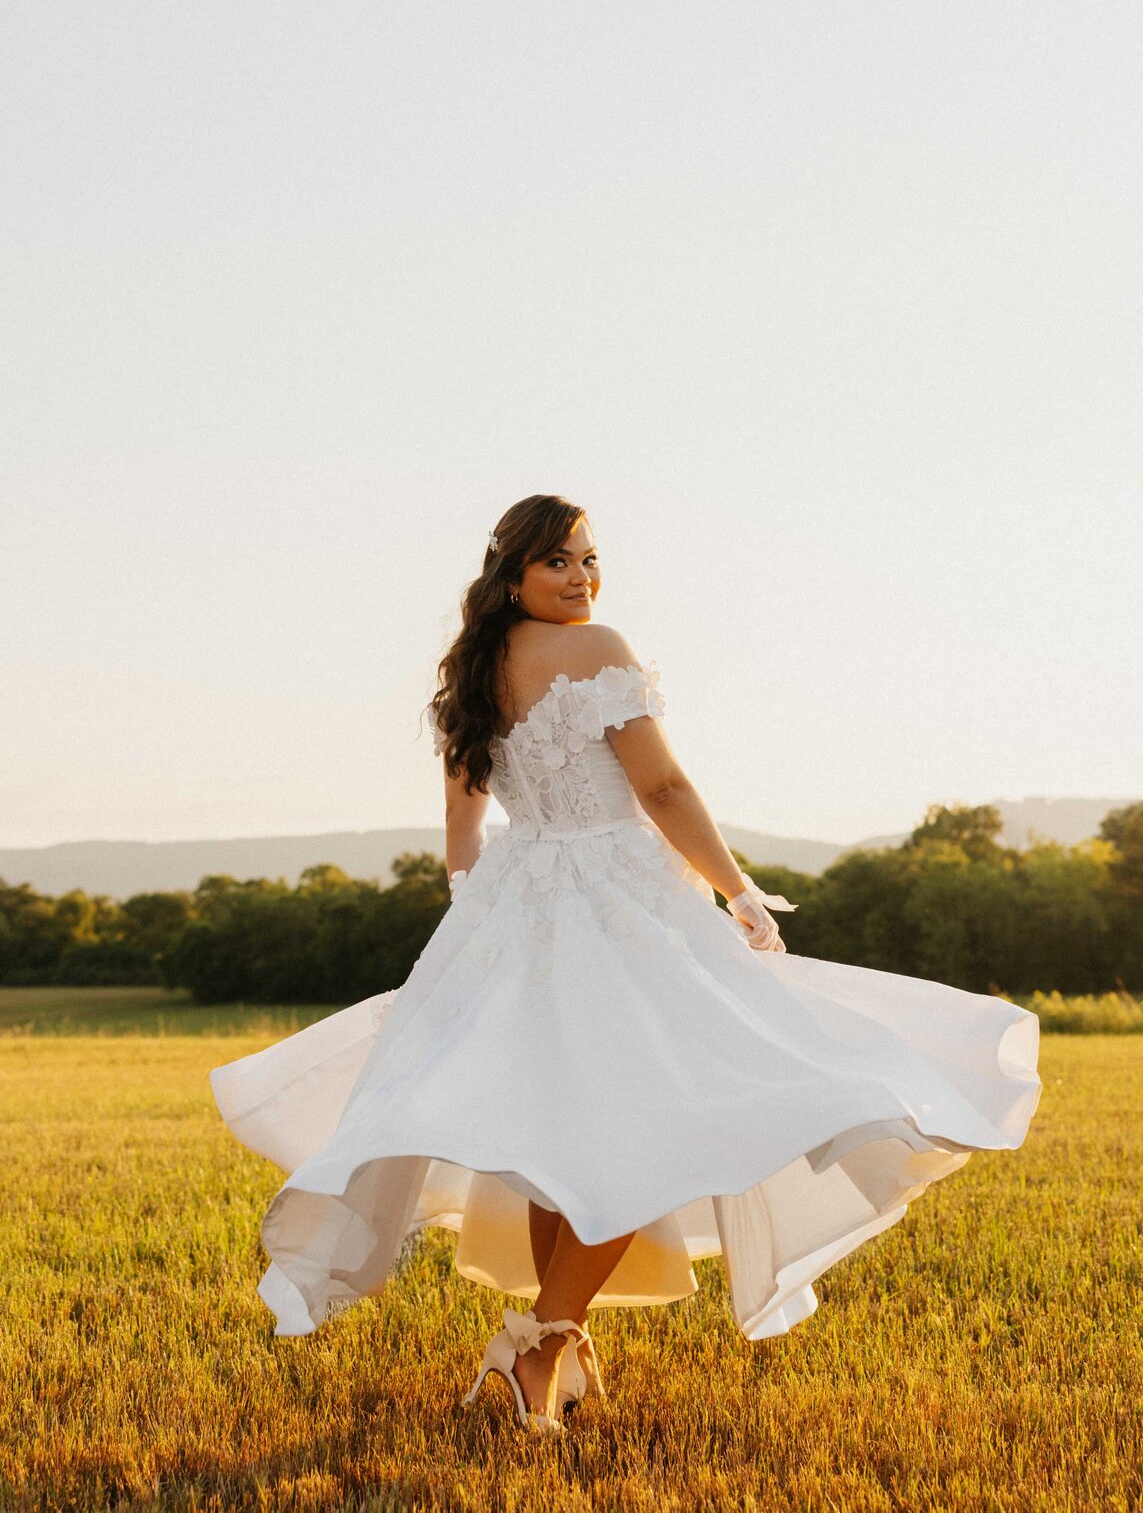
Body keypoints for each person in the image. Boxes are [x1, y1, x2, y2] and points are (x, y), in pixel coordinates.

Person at [211, 492, 1042, 1437]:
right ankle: (542, 1343)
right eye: (558, 561)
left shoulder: (472, 673)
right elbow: (661, 786)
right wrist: (737, 890)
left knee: (559, 1141)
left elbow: (461, 831)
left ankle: (549, 1344)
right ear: (512, 572)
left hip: (520, 906)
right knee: (638, 1129)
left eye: (589, 559)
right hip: (616, 904)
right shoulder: (598, 648)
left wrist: (485, 916)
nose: (581, 578)